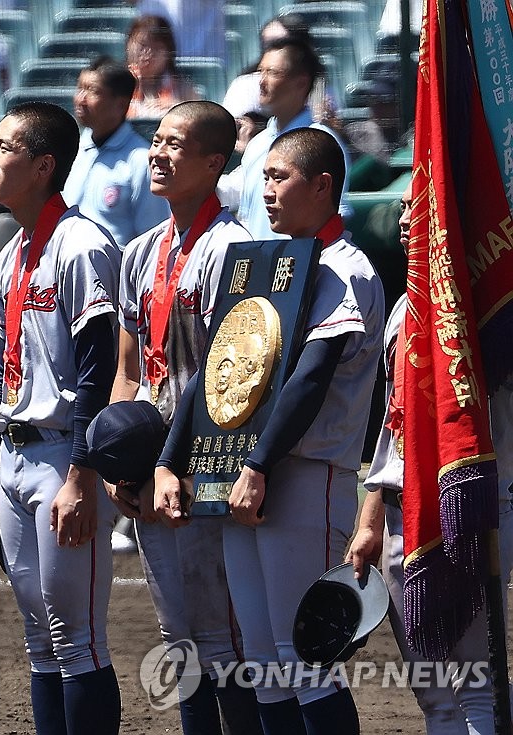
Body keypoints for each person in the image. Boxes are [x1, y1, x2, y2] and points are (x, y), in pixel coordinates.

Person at [156, 127, 384, 733]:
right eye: (266, 178)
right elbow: (213, 374)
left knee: (308, 662)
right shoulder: (267, 264)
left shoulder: (346, 268)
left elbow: (310, 380)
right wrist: (171, 461)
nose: (269, 190)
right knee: (264, 664)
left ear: (323, 186)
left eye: (280, 178)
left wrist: (256, 466)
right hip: (242, 472)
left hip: (306, 474)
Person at [111, 101, 261, 735]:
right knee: (178, 633)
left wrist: (177, 464)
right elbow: (127, 370)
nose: (159, 153)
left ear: (214, 162)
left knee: (223, 633)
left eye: (177, 144)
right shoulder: (141, 251)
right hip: (152, 459)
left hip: (209, 460)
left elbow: (236, 378)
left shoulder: (238, 249)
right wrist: (119, 460)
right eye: (157, 140)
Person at [347, 181, 513, 734]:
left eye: (420, 210)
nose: (403, 220)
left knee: (477, 688)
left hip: (471, 502)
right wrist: (370, 521)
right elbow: (394, 427)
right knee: (435, 695)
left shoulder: (489, 308)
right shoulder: (403, 307)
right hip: (402, 506)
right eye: (403, 210)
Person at [0, 101, 122, 734]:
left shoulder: (83, 244)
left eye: (6, 148)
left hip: (63, 455)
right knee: (41, 640)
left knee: (78, 638)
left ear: (43, 167)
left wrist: (83, 473)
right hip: (15, 454)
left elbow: (97, 368)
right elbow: (9, 367)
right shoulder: (11, 251)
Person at [218, 36, 351, 239]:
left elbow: (336, 213)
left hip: (300, 264)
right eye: (260, 71)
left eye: (272, 72)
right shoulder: (258, 143)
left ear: (301, 83)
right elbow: (238, 199)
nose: (262, 81)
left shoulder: (323, 143)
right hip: (259, 262)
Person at [62, 56, 169, 252]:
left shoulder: (141, 161)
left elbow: (152, 238)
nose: (81, 99)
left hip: (114, 274)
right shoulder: (71, 150)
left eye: (92, 91)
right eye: (80, 89)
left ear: (120, 105)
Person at [125, 15, 197, 120]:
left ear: (169, 53)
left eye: (156, 48)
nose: (148, 53)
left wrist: (179, 109)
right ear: (128, 46)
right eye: (143, 45)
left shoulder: (184, 89)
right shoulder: (114, 85)